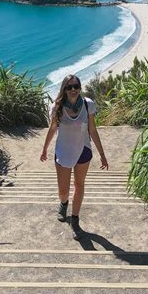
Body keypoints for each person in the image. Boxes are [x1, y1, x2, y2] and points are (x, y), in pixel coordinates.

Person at [40, 74, 109, 240]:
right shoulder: (56, 107)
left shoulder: (88, 105)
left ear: (80, 88)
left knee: (79, 185)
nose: (73, 90)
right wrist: (44, 149)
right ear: (64, 88)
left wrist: (102, 154)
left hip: (83, 150)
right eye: (69, 87)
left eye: (76, 86)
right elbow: (52, 129)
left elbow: (92, 130)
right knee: (63, 191)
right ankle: (64, 203)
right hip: (63, 151)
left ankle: (75, 219)